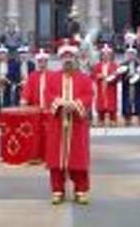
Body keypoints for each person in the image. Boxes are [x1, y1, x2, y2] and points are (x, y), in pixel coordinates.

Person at [45, 43, 93, 205]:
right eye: (65, 58)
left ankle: (81, 190)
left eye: (70, 57)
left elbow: (88, 95)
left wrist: (76, 104)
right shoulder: (52, 78)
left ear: (75, 59)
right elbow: (48, 95)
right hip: (58, 123)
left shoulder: (84, 79)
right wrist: (59, 103)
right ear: (60, 60)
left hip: (77, 124)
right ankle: (57, 190)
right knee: (56, 159)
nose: (68, 61)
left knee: (78, 158)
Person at [91, 44, 119, 126]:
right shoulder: (97, 65)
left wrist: (113, 77)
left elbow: (118, 76)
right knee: (100, 103)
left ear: (111, 56)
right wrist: (98, 76)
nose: (106, 57)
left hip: (111, 87)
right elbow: (93, 75)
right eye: (104, 55)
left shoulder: (114, 65)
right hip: (101, 86)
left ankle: (113, 119)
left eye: (108, 55)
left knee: (112, 103)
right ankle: (101, 119)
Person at [120, 47, 140, 125]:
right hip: (127, 86)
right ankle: (127, 119)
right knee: (127, 103)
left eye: (132, 54)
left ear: (135, 55)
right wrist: (126, 76)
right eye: (129, 54)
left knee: (139, 103)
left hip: (137, 86)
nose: (131, 56)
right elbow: (120, 76)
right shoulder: (123, 64)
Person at [0, 45, 18, 120]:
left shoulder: (11, 64)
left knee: (8, 100)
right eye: (0, 54)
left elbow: (13, 75)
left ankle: (7, 117)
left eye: (3, 54)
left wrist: (7, 79)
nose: (2, 56)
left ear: (7, 55)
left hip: (8, 85)